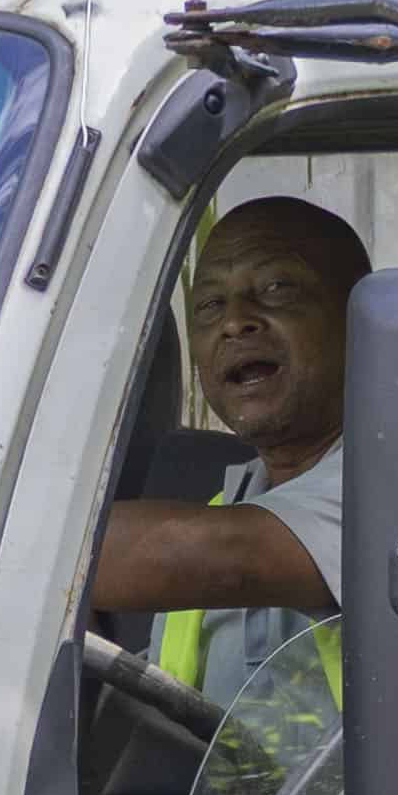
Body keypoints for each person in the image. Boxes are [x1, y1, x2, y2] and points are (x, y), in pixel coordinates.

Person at [94, 196, 362, 700]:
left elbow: (228, 557)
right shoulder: (231, 504)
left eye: (277, 288)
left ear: (364, 317)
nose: (235, 322)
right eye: (210, 305)